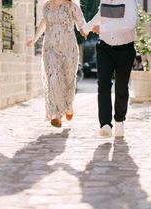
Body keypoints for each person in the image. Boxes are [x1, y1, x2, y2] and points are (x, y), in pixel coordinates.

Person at [81, 0, 138, 137]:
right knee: (103, 85)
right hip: (105, 48)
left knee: (121, 87)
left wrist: (103, 28)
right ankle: (105, 124)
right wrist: (87, 27)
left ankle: (119, 120)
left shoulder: (129, 1)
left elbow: (130, 23)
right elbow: (101, 14)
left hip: (125, 50)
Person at [27, 0, 87, 128]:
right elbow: (44, 23)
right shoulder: (47, 6)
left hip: (68, 48)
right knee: (53, 76)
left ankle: (68, 106)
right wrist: (34, 39)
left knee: (68, 80)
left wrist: (84, 30)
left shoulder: (72, 6)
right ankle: (56, 115)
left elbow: (81, 23)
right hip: (50, 47)